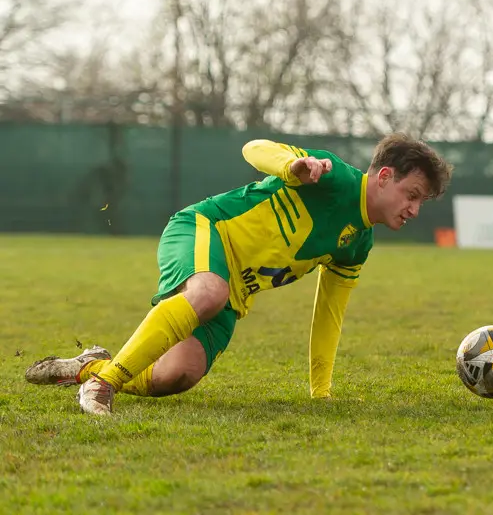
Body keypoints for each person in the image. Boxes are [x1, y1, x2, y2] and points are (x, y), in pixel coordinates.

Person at [25, 133, 453, 415]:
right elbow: (254, 148)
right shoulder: (332, 175)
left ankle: (89, 368)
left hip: (235, 294)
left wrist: (321, 393)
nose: (414, 210)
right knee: (209, 291)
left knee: (178, 375)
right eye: (412, 195)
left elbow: (329, 315)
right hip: (203, 229)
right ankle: (105, 385)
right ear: (383, 177)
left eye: (421, 202)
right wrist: (292, 167)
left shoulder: (358, 242)